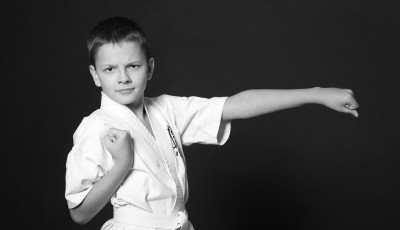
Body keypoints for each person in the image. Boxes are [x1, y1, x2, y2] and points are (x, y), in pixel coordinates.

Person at [65, 16, 359, 230]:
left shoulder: (167, 108)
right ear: (95, 75)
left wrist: (315, 94)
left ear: (150, 68)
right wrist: (121, 164)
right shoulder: (97, 127)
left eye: (133, 65)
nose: (123, 78)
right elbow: (79, 213)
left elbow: (235, 105)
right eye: (110, 69)